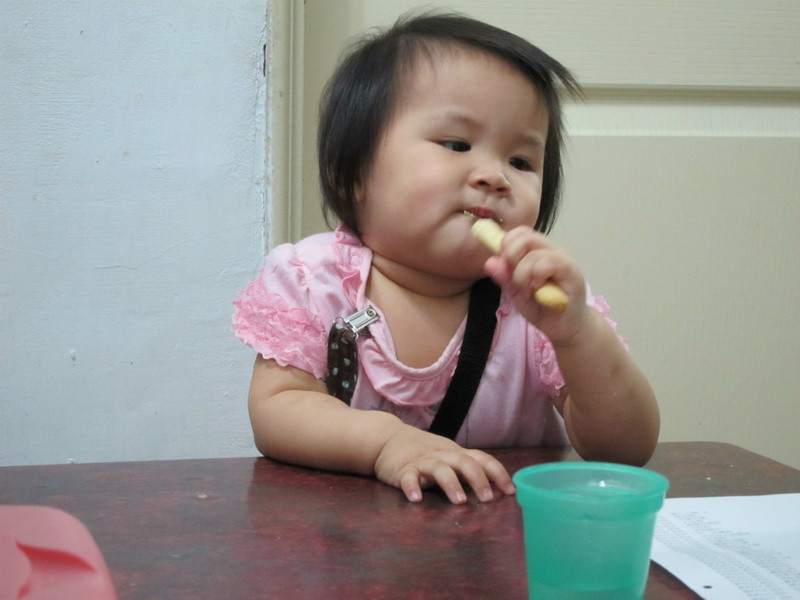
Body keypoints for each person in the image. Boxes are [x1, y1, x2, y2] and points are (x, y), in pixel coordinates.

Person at [232, 12, 659, 505]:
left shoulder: (536, 310)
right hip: (348, 555)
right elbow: (277, 409)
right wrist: (389, 443)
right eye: (457, 144)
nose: (495, 175)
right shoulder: (313, 280)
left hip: (499, 561)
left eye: (521, 161)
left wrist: (580, 333)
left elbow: (627, 450)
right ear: (353, 173)